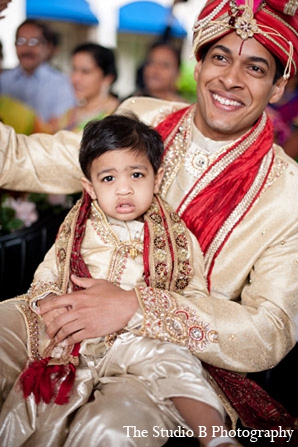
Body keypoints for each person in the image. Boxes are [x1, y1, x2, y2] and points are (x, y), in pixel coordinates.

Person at [0, 0, 298, 445]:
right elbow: (23, 159)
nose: (231, 79)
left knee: (108, 431)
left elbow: (270, 330)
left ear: (277, 87)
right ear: (197, 65)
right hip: (58, 309)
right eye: (220, 57)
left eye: (255, 68)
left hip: (168, 357)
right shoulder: (143, 117)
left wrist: (136, 307)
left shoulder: (288, 192)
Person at [0, 113, 241, 447]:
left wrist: (147, 309)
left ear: (156, 181)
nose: (124, 188)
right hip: (73, 327)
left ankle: (216, 437)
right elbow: (51, 272)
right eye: (109, 178)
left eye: (137, 174)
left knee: (175, 361)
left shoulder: (177, 237)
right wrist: (50, 305)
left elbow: (193, 294)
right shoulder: (80, 226)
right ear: (91, 188)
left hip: (136, 335)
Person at [0, 19, 76, 121]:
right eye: (21, 41)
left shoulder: (62, 83)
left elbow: (61, 126)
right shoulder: (3, 81)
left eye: (33, 42)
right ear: (15, 45)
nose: (26, 48)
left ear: (47, 47)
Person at [47, 43, 120, 133]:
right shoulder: (70, 113)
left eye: (85, 72)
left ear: (107, 78)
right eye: (74, 69)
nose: (75, 78)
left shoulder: (116, 115)